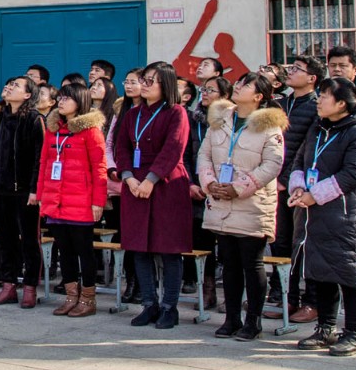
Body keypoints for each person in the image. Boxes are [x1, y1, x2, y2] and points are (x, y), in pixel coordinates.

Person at [289, 78, 356, 356]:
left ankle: (354, 334)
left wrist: (316, 195)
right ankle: (325, 329)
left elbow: (353, 174)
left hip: (344, 214)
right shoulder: (319, 127)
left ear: (341, 103)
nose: (318, 100)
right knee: (321, 273)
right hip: (314, 213)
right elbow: (300, 160)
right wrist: (299, 186)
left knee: (349, 274)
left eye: (324, 95)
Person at [199, 73, 287, 340]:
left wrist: (239, 187)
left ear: (259, 96)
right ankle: (231, 318)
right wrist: (209, 182)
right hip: (220, 201)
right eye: (238, 82)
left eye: (245, 84)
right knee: (229, 264)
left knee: (252, 263)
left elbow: (272, 165)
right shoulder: (219, 119)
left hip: (252, 203)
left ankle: (253, 320)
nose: (237, 86)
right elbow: (204, 155)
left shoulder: (269, 127)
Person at [113, 63, 193, 329]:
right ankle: (149, 304)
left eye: (150, 81)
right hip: (134, 183)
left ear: (165, 85)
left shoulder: (176, 112)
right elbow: (121, 146)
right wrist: (128, 177)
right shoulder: (133, 113)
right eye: (143, 80)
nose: (144, 85)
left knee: (168, 250)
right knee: (139, 247)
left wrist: (150, 180)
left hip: (166, 185)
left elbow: (173, 149)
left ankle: (170, 306)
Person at [33, 84, 107, 317]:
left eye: (67, 98)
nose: (61, 102)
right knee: (64, 251)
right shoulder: (53, 129)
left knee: (84, 251)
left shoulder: (91, 130)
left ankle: (88, 299)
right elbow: (44, 165)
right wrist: (42, 196)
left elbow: (99, 168)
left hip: (81, 202)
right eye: (61, 98)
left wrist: (98, 202)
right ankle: (70, 296)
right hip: (56, 201)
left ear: (80, 101)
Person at [272, 55, 325, 323]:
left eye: (296, 69)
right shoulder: (280, 103)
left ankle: (312, 301)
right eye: (290, 68)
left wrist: (287, 177)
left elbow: (307, 149)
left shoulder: (317, 106)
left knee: (303, 244)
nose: (290, 72)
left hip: (299, 186)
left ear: (312, 78)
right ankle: (285, 297)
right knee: (280, 242)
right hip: (274, 183)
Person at [0, 76, 46, 306]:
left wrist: (34, 189)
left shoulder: (34, 119)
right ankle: (8, 285)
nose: (9, 87)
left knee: (29, 240)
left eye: (16, 86)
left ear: (27, 95)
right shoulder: (1, 117)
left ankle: (30, 287)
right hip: (0, 189)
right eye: (9, 84)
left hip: (25, 192)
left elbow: (39, 158)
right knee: (4, 240)